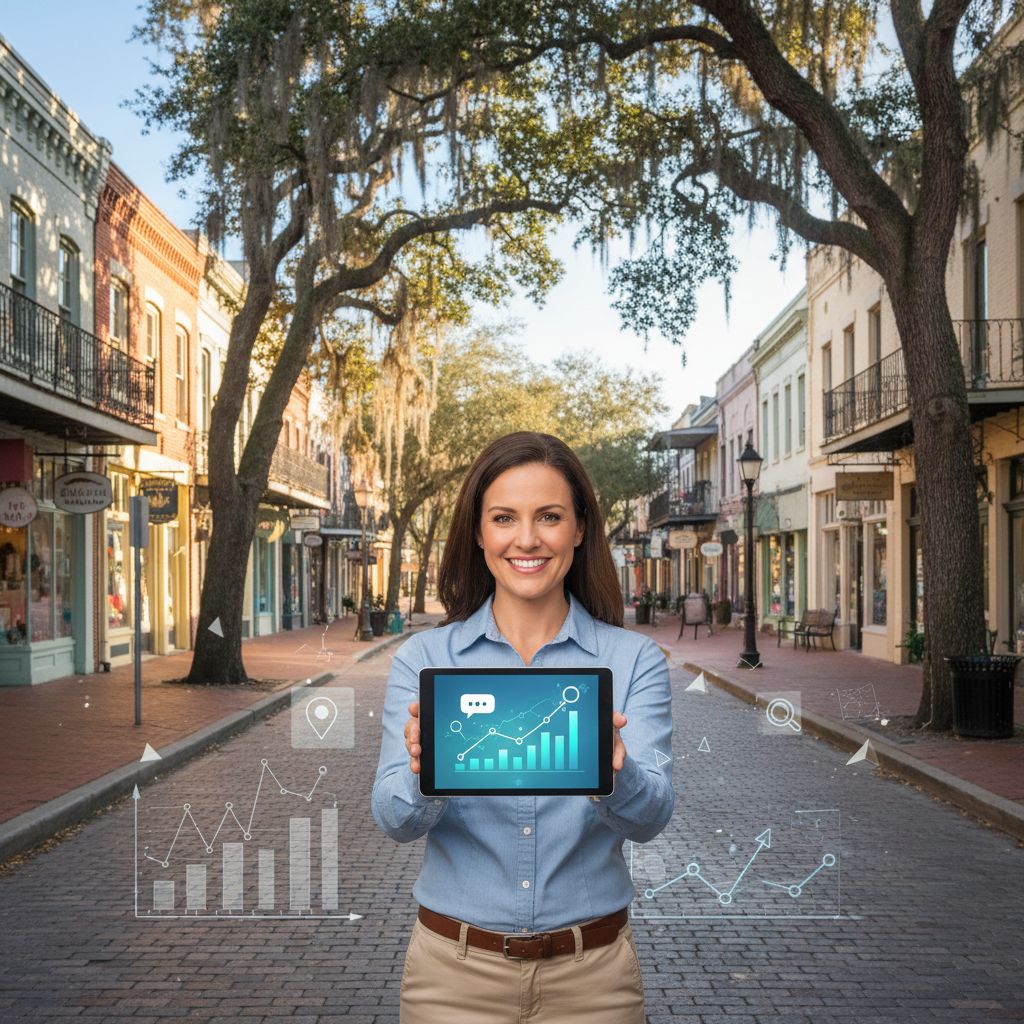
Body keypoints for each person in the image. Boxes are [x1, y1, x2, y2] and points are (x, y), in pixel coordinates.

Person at [371, 431, 674, 1024]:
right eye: (504, 517)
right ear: (479, 532)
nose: (527, 539)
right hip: (451, 980)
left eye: (550, 517)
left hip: (594, 982)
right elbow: (393, 819)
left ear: (580, 529)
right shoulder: (426, 660)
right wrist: (425, 774)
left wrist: (616, 772)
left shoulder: (632, 661)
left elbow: (652, 818)